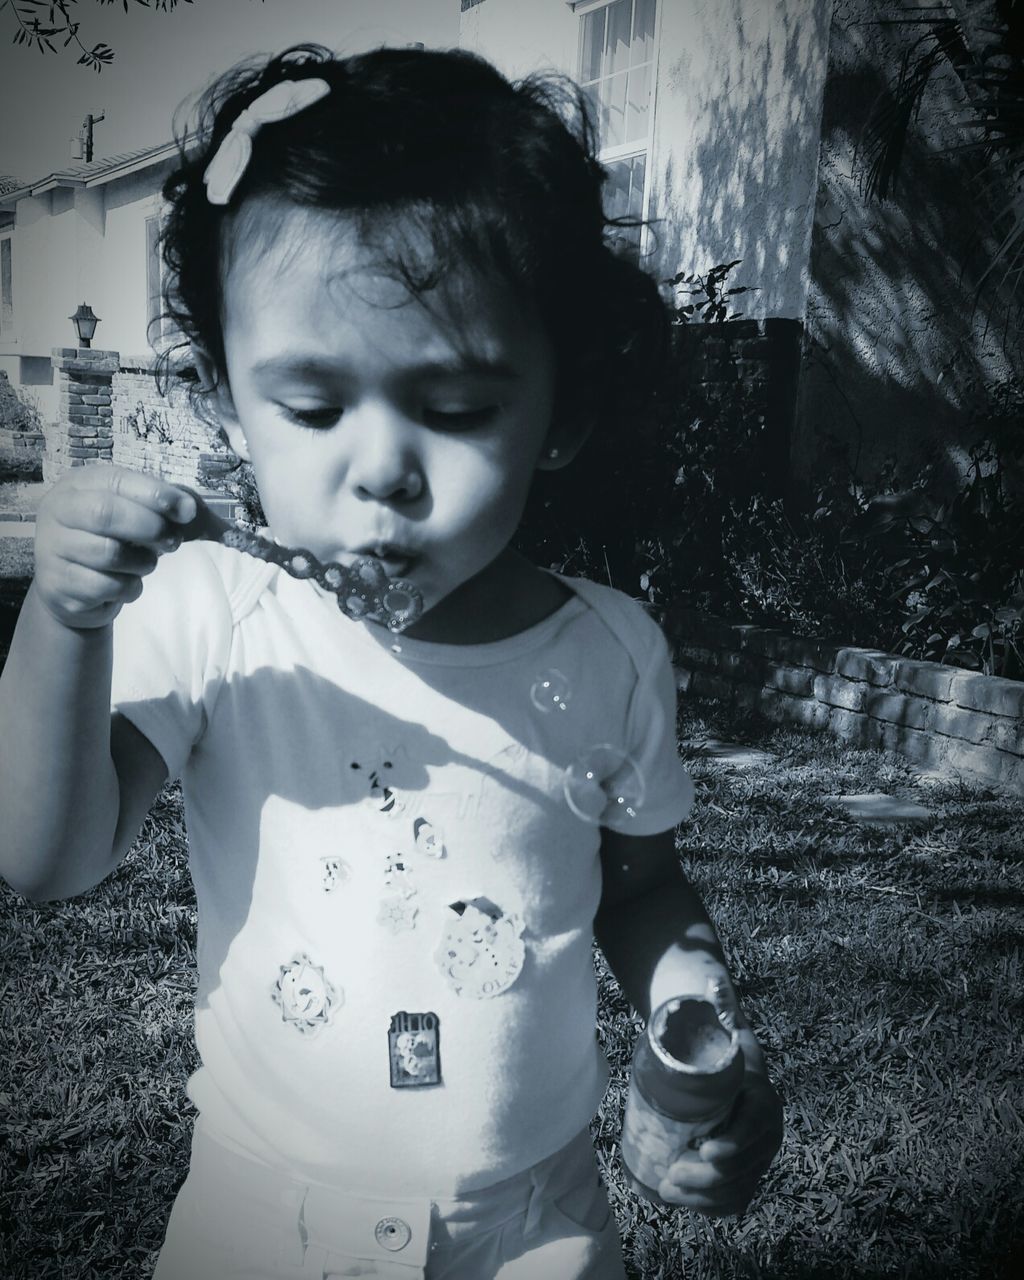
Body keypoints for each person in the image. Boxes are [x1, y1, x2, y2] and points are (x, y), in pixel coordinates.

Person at [0, 43, 782, 1280]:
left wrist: (692, 1021)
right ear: (221, 402)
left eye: (459, 408)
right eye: (311, 408)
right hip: (261, 1223)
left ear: (563, 407)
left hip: (540, 1225)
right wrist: (62, 619)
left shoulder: (612, 651)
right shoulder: (214, 612)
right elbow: (46, 858)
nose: (380, 470)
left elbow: (639, 890)